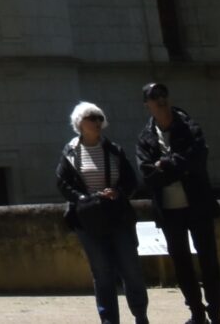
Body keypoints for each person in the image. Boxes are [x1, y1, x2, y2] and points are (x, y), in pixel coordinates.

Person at [137, 84, 220, 324]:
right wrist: (176, 165)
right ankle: (196, 313)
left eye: (163, 94)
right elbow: (147, 176)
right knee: (182, 265)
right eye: (154, 97)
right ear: (147, 104)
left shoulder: (189, 127)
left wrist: (163, 165)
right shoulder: (145, 137)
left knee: (209, 262)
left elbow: (197, 161)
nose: (161, 99)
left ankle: (215, 314)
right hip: (169, 212)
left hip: (198, 206)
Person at [57, 103, 148, 324]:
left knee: (131, 268)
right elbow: (62, 183)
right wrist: (84, 198)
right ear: (79, 123)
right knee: (102, 273)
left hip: (118, 216)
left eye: (99, 118)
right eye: (92, 118)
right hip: (89, 220)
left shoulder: (114, 149)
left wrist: (118, 192)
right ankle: (109, 320)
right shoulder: (70, 152)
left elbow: (131, 180)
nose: (97, 122)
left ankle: (140, 316)